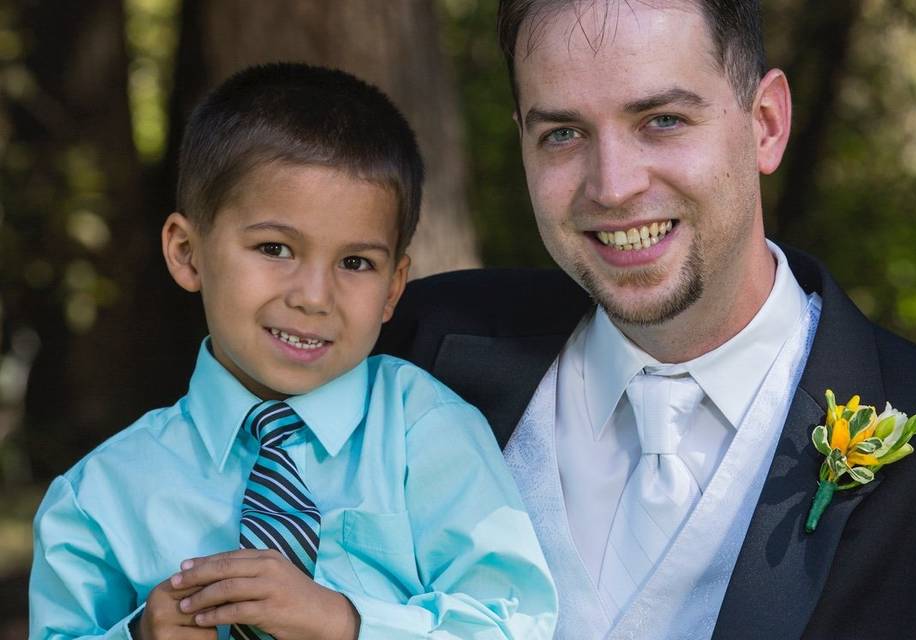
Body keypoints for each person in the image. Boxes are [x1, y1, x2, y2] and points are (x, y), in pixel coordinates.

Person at [376, 1, 916, 638]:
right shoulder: (415, 350)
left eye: (662, 120)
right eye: (563, 134)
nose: (613, 187)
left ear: (765, 125)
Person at [29, 62, 557, 640]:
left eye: (356, 263)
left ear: (393, 288)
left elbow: (516, 622)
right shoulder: (95, 501)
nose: (313, 297)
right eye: (275, 248)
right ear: (186, 252)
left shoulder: (423, 431)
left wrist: (346, 623)